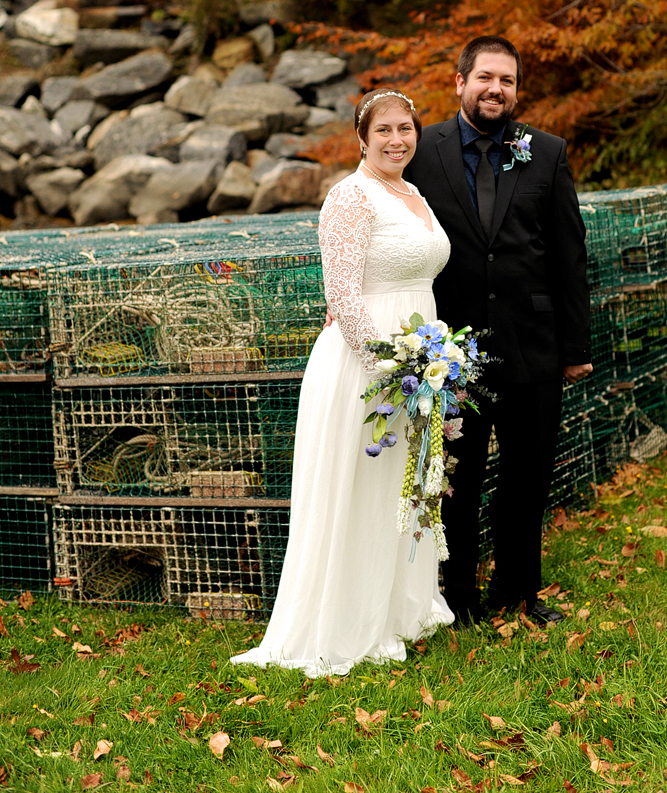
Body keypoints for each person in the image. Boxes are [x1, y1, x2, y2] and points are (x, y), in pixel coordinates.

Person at [230, 89, 454, 676]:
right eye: (383, 130)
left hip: (415, 365)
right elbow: (344, 297)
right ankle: (346, 621)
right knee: (359, 488)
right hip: (366, 366)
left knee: (398, 485)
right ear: (362, 137)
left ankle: (397, 609)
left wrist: (431, 361)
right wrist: (387, 362)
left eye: (405, 129)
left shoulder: (412, 194)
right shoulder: (350, 197)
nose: (396, 140)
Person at [409, 36, 591, 626]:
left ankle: (517, 590)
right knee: (456, 477)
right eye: (485, 77)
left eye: (507, 81)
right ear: (459, 81)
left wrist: (575, 347)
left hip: (533, 344)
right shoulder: (421, 150)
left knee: (527, 475)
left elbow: (569, 255)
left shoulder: (547, 151)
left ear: (517, 90)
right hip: (450, 350)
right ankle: (456, 597)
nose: (496, 89)